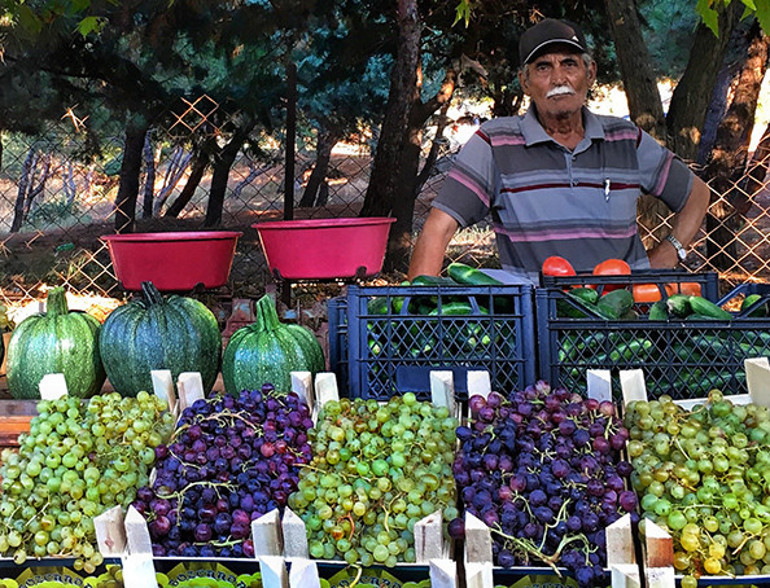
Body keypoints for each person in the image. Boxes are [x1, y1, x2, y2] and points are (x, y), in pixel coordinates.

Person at [407, 18, 710, 284]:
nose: (558, 79)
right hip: (537, 324)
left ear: (589, 73)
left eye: (569, 63)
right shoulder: (494, 144)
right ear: (524, 82)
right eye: (543, 67)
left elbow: (696, 194)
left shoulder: (625, 140)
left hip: (625, 317)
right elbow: (438, 229)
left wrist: (671, 251)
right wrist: (417, 316)